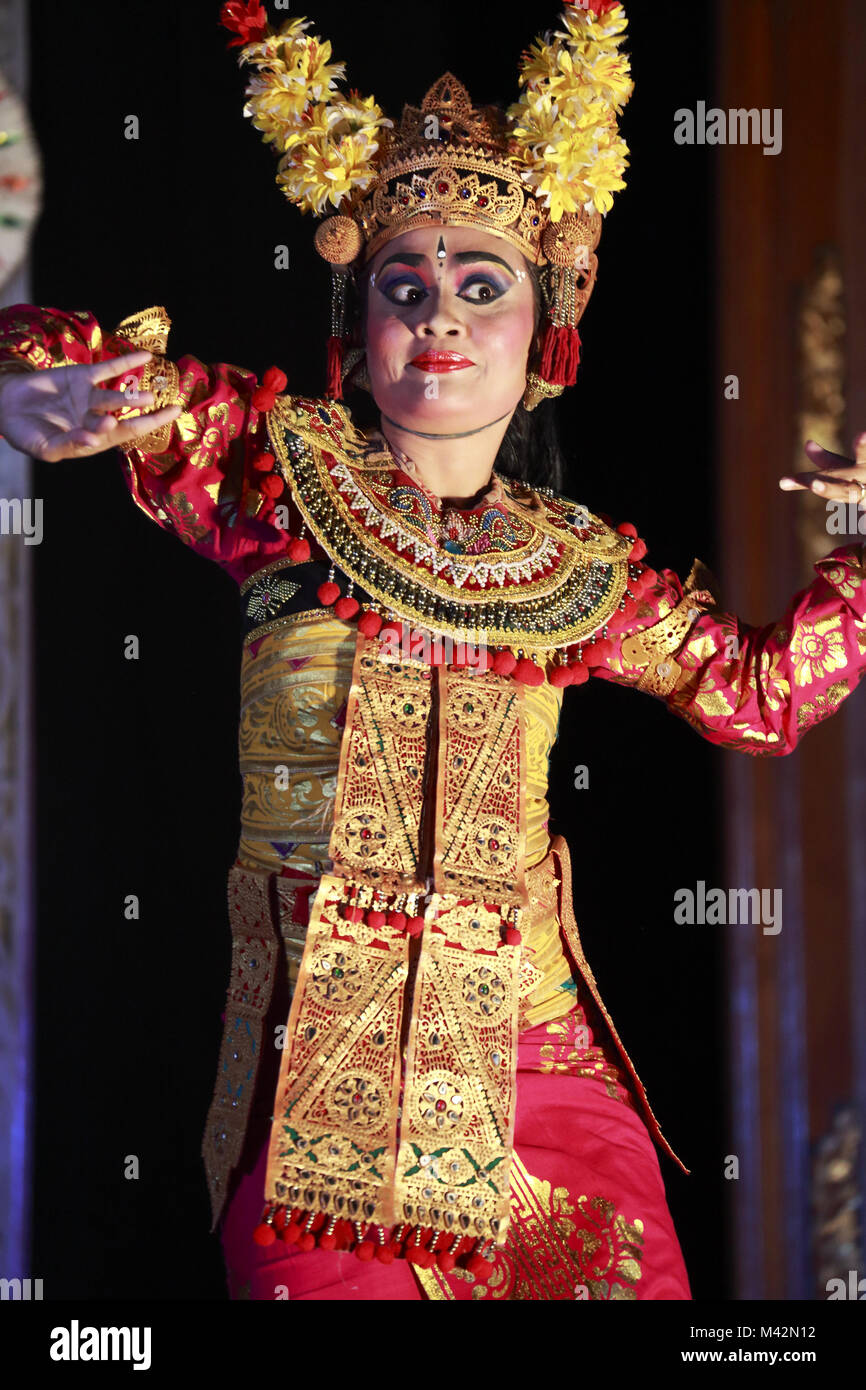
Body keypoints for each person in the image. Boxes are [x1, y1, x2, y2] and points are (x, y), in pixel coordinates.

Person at [1, 1, 865, 1302]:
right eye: (407, 287)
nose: (442, 317)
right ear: (361, 318)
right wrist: (36, 373)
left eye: (480, 286)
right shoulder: (274, 468)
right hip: (326, 1089)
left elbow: (757, 700)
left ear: (543, 324)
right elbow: (112, 373)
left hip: (539, 1066)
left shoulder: (579, 567)